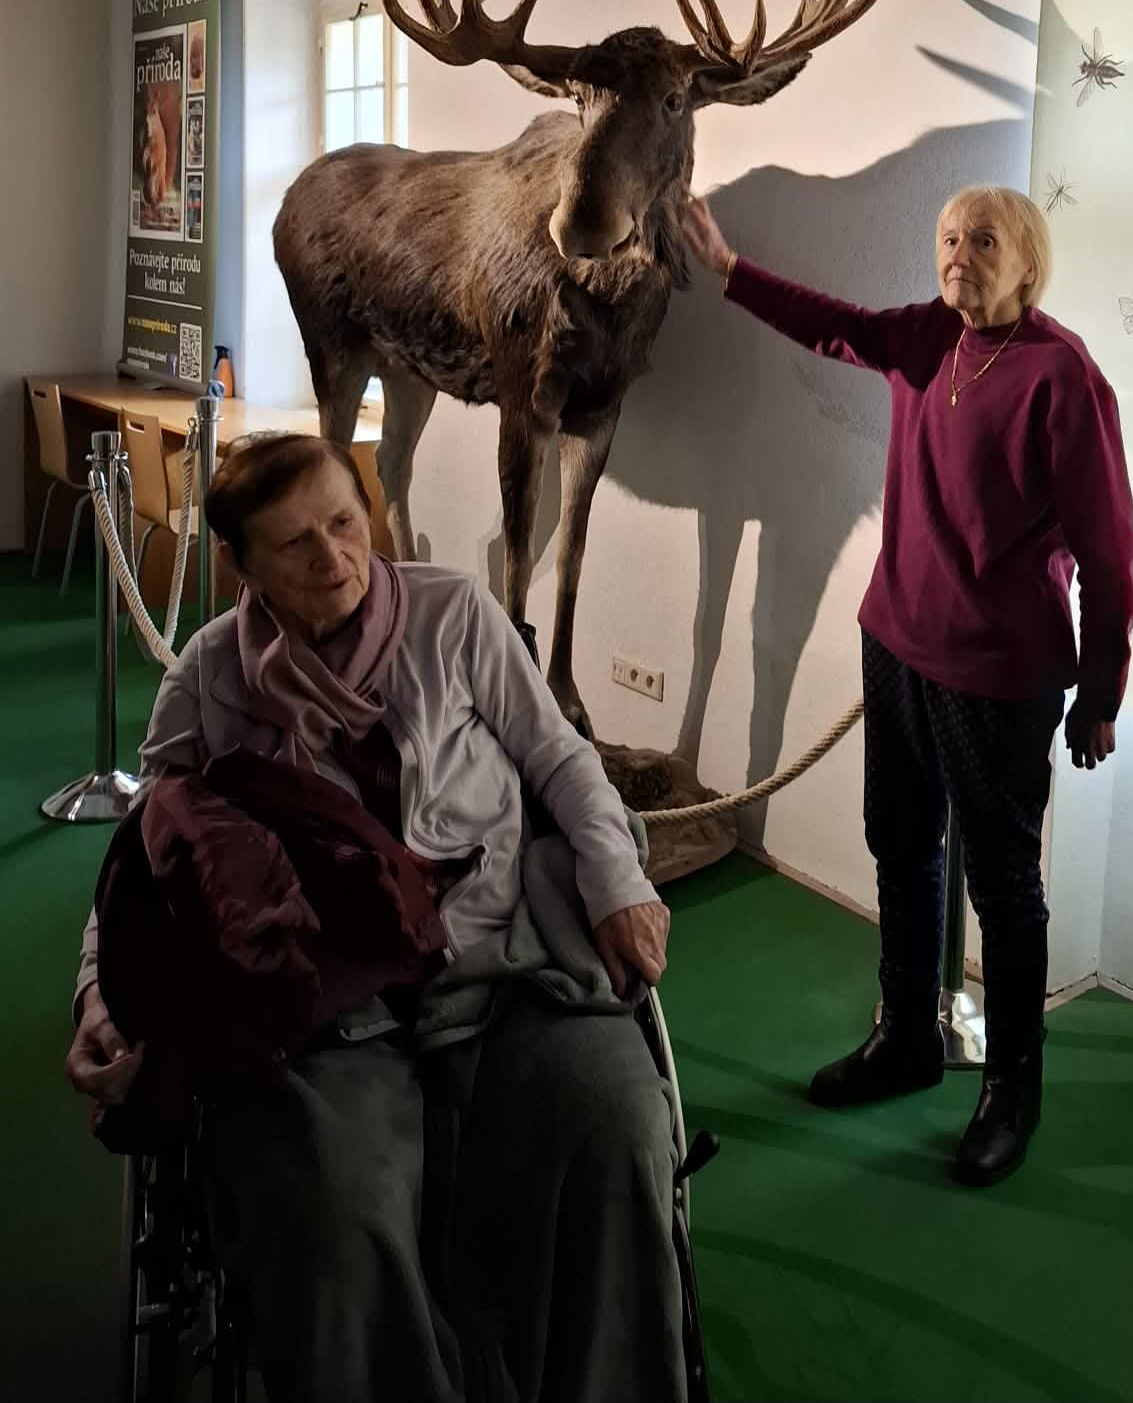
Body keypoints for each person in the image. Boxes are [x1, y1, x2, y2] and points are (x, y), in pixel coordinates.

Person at [65, 433, 684, 1403]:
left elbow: (561, 760)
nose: (335, 558)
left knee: (617, 1128)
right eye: (295, 544)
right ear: (240, 565)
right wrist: (100, 993)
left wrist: (618, 881)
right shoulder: (208, 678)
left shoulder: (454, 614)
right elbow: (146, 860)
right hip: (318, 1002)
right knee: (333, 1212)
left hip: (501, 961)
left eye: (345, 522)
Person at [681, 183, 1133, 1187]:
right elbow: (834, 326)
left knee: (1003, 887)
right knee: (899, 841)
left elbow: (1111, 559)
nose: (959, 254)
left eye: (983, 240)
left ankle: (1012, 1088)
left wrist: (1102, 695)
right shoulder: (929, 336)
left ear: (1027, 262)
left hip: (999, 673)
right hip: (894, 639)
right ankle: (907, 1036)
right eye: (948, 238)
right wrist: (728, 270)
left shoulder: (1064, 378)